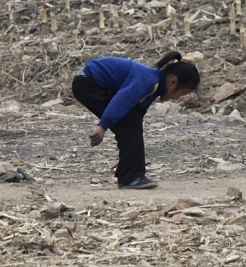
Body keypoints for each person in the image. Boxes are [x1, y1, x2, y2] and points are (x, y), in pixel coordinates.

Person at [72, 51, 200, 189]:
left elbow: (136, 115)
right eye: (183, 93)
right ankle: (130, 177)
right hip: (88, 83)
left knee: (131, 123)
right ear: (173, 81)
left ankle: (130, 174)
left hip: (89, 82)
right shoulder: (148, 80)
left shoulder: (154, 85)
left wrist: (129, 148)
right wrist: (103, 126)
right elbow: (122, 100)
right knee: (129, 123)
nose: (178, 98)